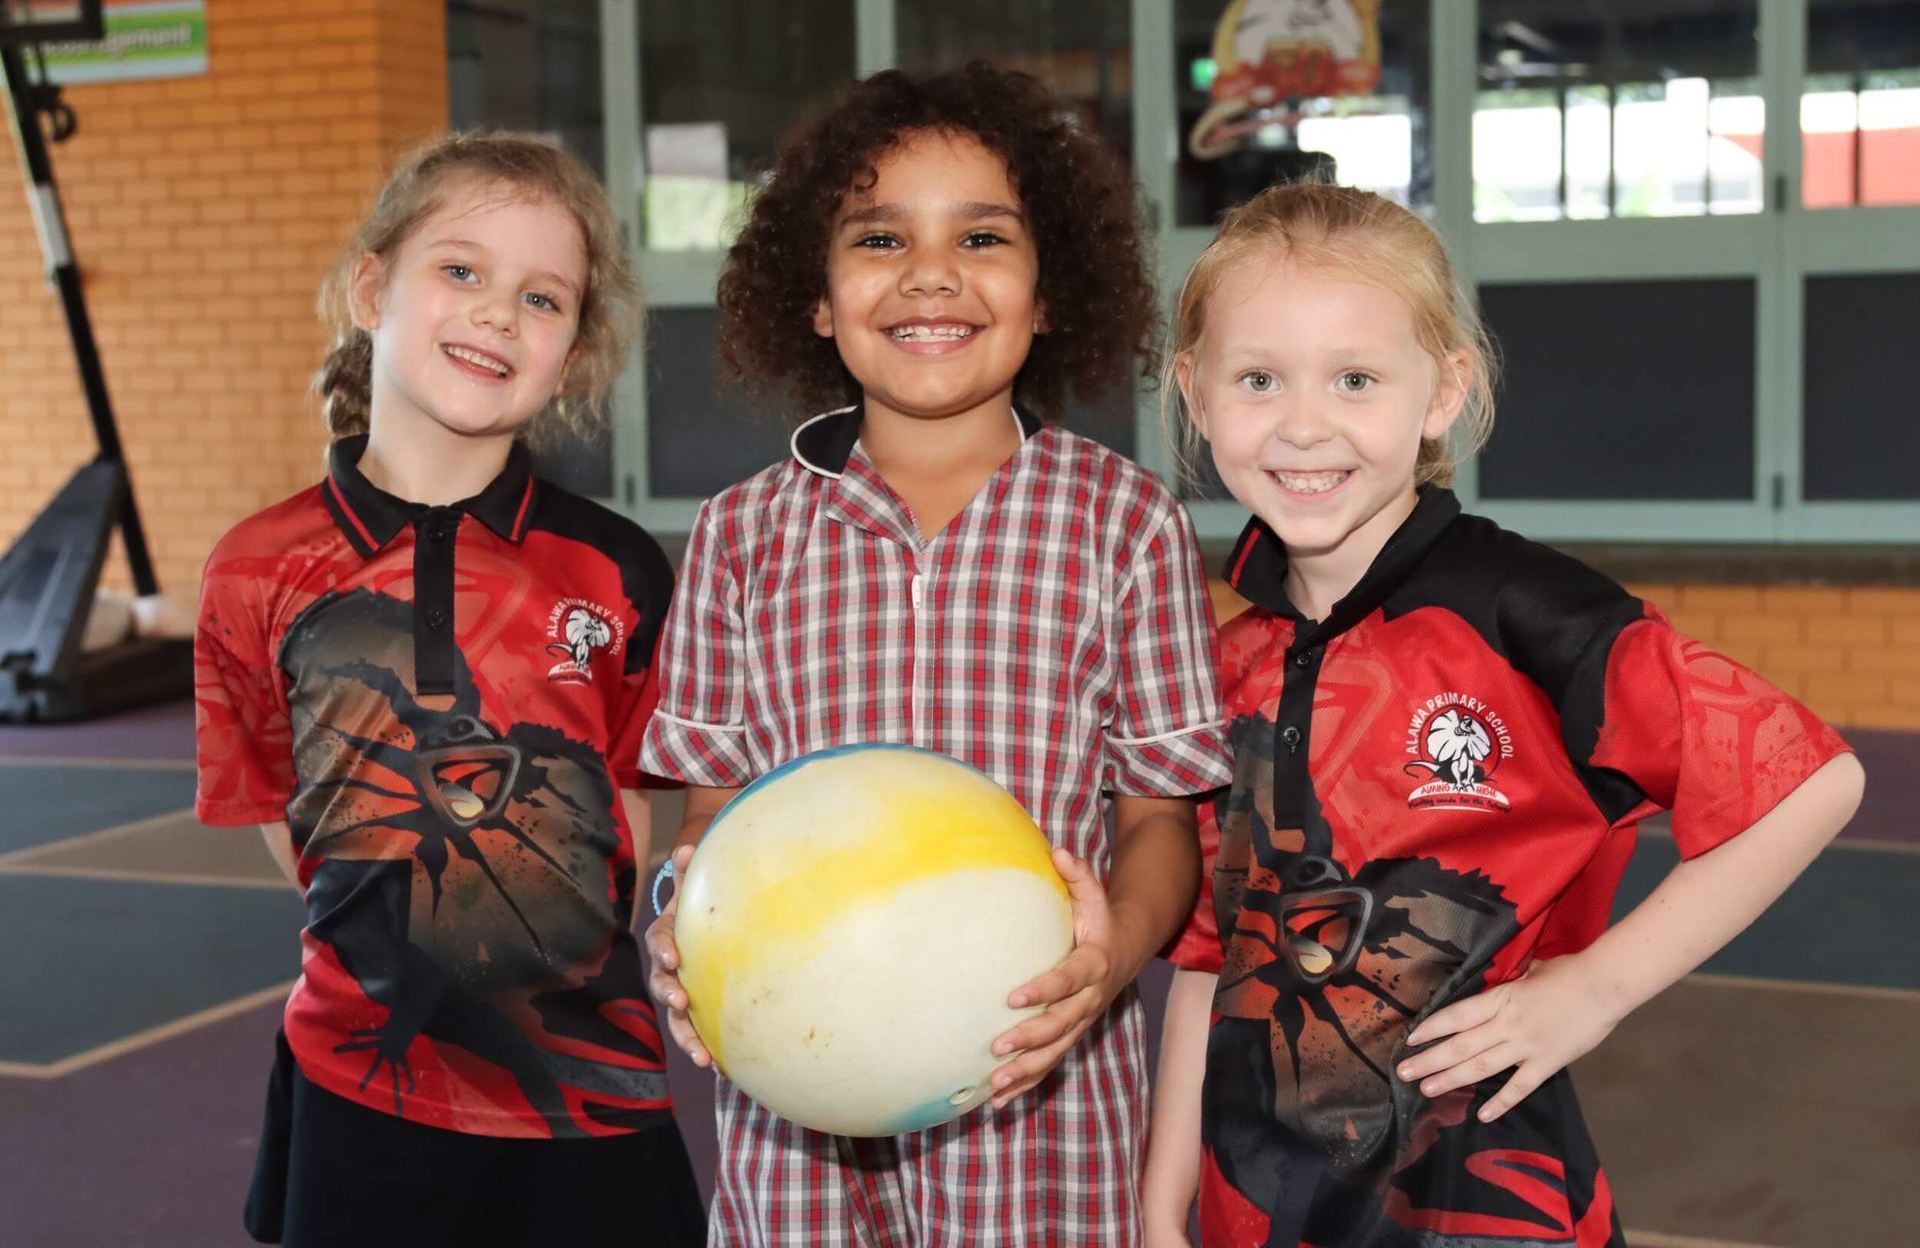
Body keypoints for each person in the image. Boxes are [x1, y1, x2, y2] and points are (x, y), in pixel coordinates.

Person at [1139, 180, 1864, 1248]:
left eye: (1354, 378)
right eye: (1258, 379)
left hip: (1482, 1204)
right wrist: (1164, 1203)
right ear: (1196, 395)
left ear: (1443, 390)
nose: (1303, 424)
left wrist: (1593, 989)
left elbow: (1811, 781)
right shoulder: (1225, 661)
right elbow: (1211, 965)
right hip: (1265, 1211)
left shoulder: (1529, 614)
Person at [638, 63, 1236, 1245]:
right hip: (794, 1099)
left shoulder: (1127, 524)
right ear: (815, 297)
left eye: (982, 235)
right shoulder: (740, 534)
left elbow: (1162, 820)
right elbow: (716, 821)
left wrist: (1110, 958)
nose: (930, 273)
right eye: (877, 236)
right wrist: (680, 926)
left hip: (1043, 1098)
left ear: (1049, 288)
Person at [192, 130, 705, 1247]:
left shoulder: (617, 569)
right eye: (461, 269)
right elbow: (291, 813)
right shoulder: (255, 567)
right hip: (360, 1087)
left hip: (590, 1095)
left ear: (571, 354)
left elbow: (624, 813)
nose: (496, 314)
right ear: (374, 286)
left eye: (543, 297)